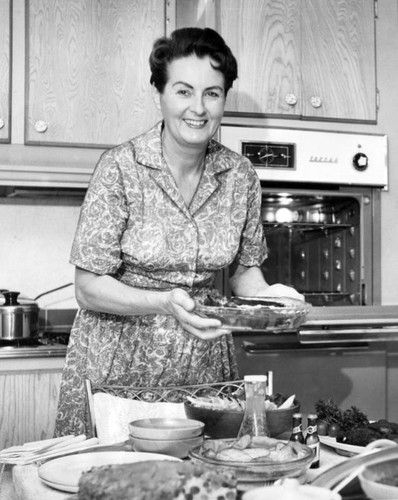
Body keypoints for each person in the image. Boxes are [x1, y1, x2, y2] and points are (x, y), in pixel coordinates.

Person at [54, 27, 303, 437]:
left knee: (202, 481)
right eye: (184, 91)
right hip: (120, 364)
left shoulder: (240, 176)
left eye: (212, 93)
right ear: (160, 95)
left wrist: (272, 299)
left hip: (204, 365)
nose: (198, 108)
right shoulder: (121, 168)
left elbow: (245, 273)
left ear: (224, 99)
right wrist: (164, 302)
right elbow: (88, 287)